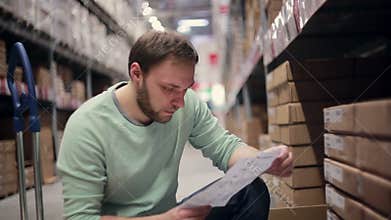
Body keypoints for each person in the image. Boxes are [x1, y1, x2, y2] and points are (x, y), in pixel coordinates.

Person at [57, 31, 293, 220]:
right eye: (169, 89)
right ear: (136, 73)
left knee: (251, 190)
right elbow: (81, 217)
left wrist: (264, 161)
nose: (179, 102)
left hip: (171, 215)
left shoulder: (186, 103)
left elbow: (225, 147)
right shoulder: (87, 126)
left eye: (186, 89)